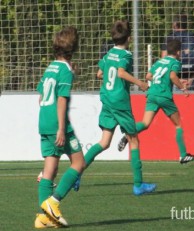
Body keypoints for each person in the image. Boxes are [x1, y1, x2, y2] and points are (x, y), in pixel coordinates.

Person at [74, 20, 156, 196]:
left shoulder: (108, 54)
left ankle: (76, 173)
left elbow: (99, 74)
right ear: (129, 38)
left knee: (104, 142)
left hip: (107, 100)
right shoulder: (126, 55)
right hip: (120, 102)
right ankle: (138, 184)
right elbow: (120, 72)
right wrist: (140, 83)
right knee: (134, 139)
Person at [34, 26, 86, 228]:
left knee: (50, 170)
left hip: (44, 120)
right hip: (58, 122)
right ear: (74, 48)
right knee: (79, 163)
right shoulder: (65, 70)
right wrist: (62, 129)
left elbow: (41, 98)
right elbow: (62, 100)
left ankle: (43, 218)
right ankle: (53, 203)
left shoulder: (51, 68)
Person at [117, 39, 194, 164]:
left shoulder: (159, 62)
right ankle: (183, 155)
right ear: (178, 52)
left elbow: (148, 76)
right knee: (178, 124)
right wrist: (182, 88)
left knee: (145, 123)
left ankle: (128, 133)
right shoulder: (175, 62)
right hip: (164, 95)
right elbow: (172, 76)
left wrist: (159, 80)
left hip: (152, 94)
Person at [161, 15, 194, 90]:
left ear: (175, 25)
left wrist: (176, 79)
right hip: (191, 77)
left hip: (174, 77)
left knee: (175, 100)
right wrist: (192, 78)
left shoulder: (170, 38)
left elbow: (164, 60)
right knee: (190, 100)